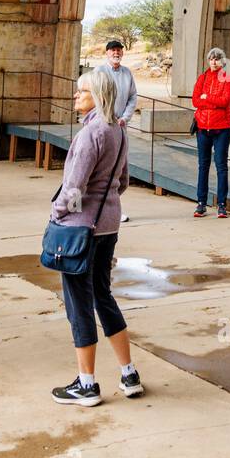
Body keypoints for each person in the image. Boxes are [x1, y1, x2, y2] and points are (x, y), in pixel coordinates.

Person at [50, 69, 144, 407]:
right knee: (103, 294)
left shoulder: (91, 134)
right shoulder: (118, 131)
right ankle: (128, 372)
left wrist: (58, 212)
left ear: (98, 95)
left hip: (81, 228)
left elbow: (74, 188)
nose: (76, 96)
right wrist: (108, 202)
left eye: (81, 92)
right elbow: (124, 181)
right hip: (108, 226)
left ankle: (86, 383)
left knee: (78, 303)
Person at [97, 39, 138, 221]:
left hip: (121, 128)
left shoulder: (127, 73)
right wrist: (106, 118)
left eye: (119, 50)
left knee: (119, 171)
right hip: (103, 127)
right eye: (113, 50)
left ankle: (113, 208)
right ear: (107, 53)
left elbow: (132, 97)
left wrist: (125, 117)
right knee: (103, 169)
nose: (116, 53)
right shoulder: (99, 72)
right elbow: (94, 98)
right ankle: (98, 208)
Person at [192, 48, 230, 219]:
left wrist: (206, 97)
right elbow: (195, 100)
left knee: (221, 166)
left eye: (217, 59)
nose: (214, 62)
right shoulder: (202, 78)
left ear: (222, 61)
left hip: (222, 128)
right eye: (211, 59)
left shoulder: (227, 78)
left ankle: (222, 205)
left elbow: (225, 101)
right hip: (203, 128)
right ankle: (201, 203)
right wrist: (207, 101)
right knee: (203, 166)